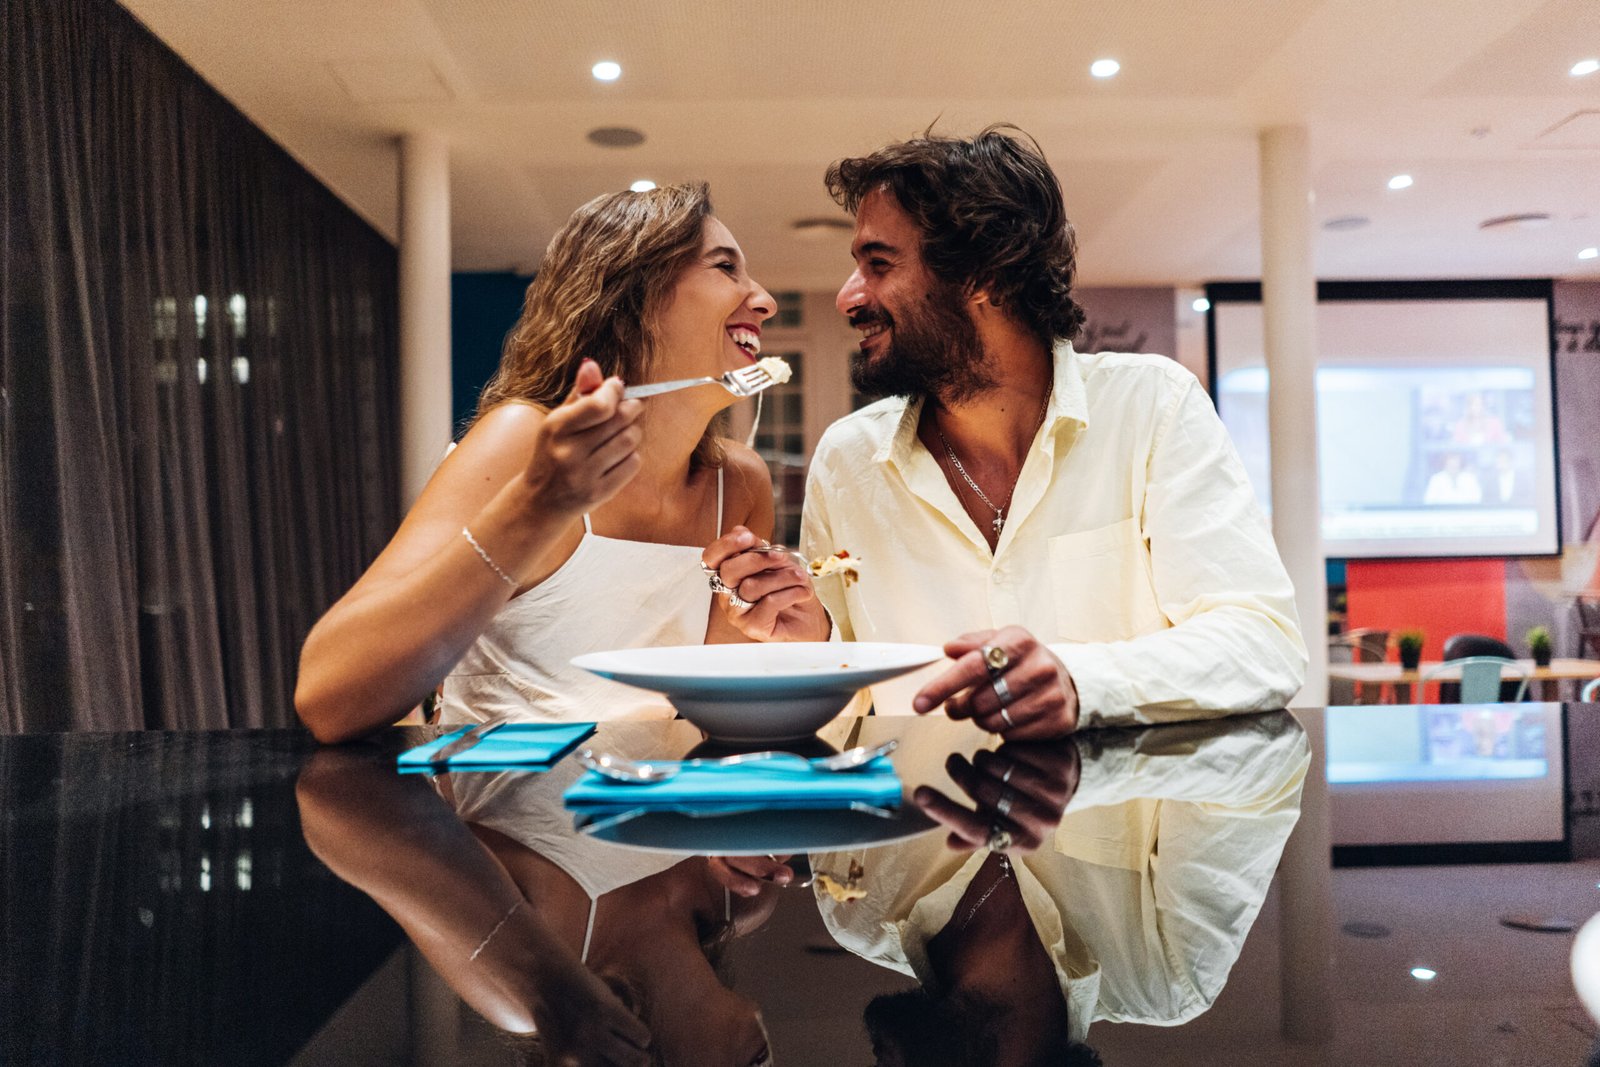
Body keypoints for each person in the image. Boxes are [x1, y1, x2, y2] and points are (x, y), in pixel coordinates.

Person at [792, 125, 1306, 743]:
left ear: (984, 275)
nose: (848, 297)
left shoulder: (1151, 407)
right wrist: (810, 642)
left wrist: (1082, 681)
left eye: (878, 264)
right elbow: (842, 714)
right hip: (924, 806)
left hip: (1121, 798)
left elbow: (1261, 643)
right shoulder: (846, 462)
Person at [295, 183, 827, 743]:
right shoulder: (522, 440)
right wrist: (538, 504)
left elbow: (715, 720)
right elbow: (330, 700)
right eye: (725, 267)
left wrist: (784, 629)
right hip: (496, 799)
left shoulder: (739, 483)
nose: (764, 300)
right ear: (632, 294)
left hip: (656, 798)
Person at [815, 712, 1309, 1064]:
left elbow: (823, 714)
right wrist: (1093, 766)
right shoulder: (1166, 973)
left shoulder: (856, 908)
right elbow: (1268, 760)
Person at [296, 730, 786, 1066]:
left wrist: (545, 982)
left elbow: (329, 792)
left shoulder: (526, 990)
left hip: (507, 624)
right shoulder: (743, 898)